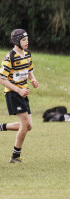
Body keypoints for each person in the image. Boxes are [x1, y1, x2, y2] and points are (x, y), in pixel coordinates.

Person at [0, 29, 39, 163]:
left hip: (23, 93)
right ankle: (15, 156)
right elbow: (2, 79)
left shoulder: (27, 54)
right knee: (25, 124)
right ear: (16, 41)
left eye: (27, 39)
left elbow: (29, 70)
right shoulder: (10, 57)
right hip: (13, 94)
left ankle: (1, 127)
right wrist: (18, 90)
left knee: (28, 126)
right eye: (23, 40)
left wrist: (33, 79)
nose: (26, 42)